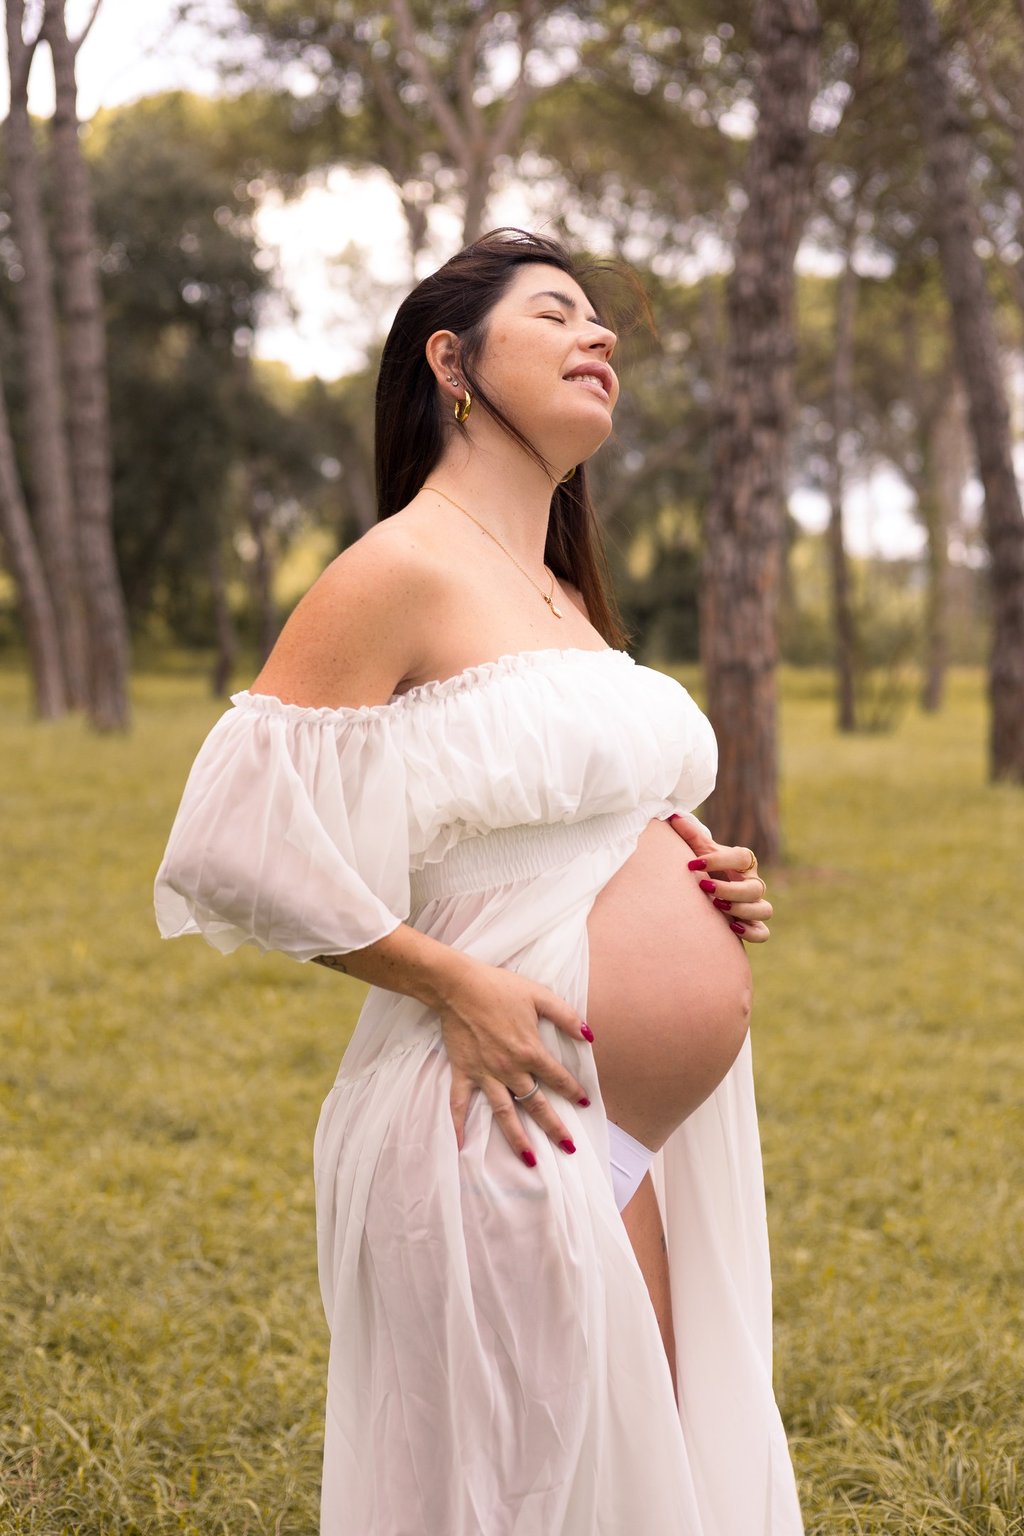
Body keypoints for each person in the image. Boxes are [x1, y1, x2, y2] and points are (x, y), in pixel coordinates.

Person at [155, 228, 803, 1535]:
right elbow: (235, 841)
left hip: (625, 1139)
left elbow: (575, 807)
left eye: (601, 321)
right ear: (451, 362)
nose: (599, 337)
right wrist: (451, 980)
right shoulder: (397, 566)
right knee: (510, 1494)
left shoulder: (564, 590)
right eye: (557, 313)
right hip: (497, 1108)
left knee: (638, 1485)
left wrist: (695, 860)